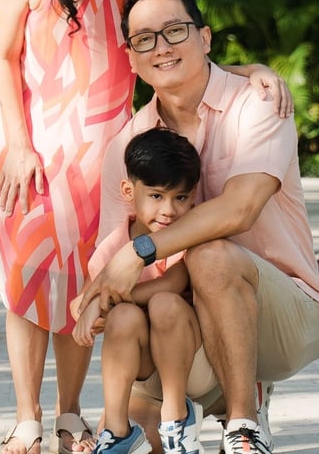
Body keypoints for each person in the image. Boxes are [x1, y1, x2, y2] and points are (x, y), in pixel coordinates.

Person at [0, 0, 292, 454]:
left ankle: (69, 415)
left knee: (80, 272)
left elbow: (182, 41)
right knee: (29, 275)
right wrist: (16, 144)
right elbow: (2, 57)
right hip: (28, 139)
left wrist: (249, 69)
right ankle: (25, 418)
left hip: (106, 144)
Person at [78, 0, 319, 454]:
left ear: (206, 38)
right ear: (131, 57)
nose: (161, 47)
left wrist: (143, 251)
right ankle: (186, 406)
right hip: (181, 318)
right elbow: (113, 261)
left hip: (285, 315)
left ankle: (243, 425)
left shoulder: (257, 104)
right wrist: (100, 300)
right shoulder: (129, 145)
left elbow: (240, 209)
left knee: (211, 254)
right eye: (144, 39)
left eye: (175, 30)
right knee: (148, 442)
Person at [71, 128, 215, 454]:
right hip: (148, 370)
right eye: (156, 196)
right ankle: (119, 432)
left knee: (164, 302)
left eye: (180, 198)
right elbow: (81, 303)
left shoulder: (189, 234)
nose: (168, 210)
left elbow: (174, 283)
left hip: (195, 361)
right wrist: (94, 305)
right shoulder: (115, 244)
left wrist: (102, 301)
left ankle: (177, 419)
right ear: (128, 190)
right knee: (122, 316)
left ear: (193, 195)